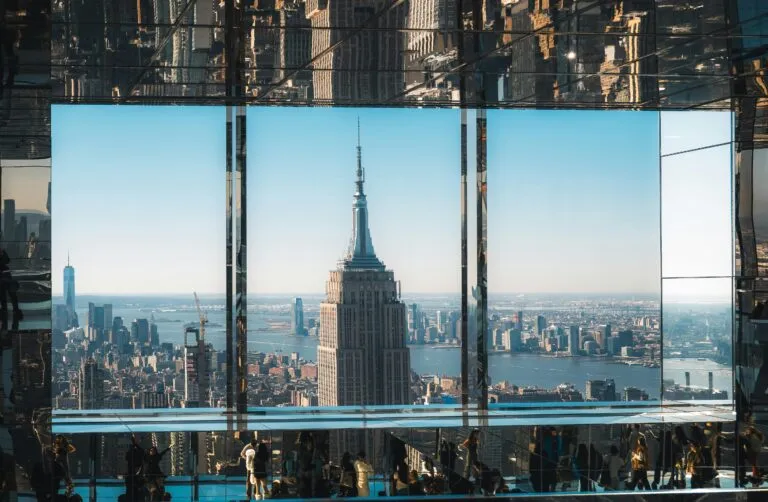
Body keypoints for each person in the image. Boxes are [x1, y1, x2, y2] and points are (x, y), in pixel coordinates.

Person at [0, 245, 22, 326]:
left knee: (11, 295)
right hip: (3, 279)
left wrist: (2, 253)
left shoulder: (4, 253)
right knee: (4, 296)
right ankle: (6, 312)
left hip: (6, 278)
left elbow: (7, 261)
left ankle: (14, 311)